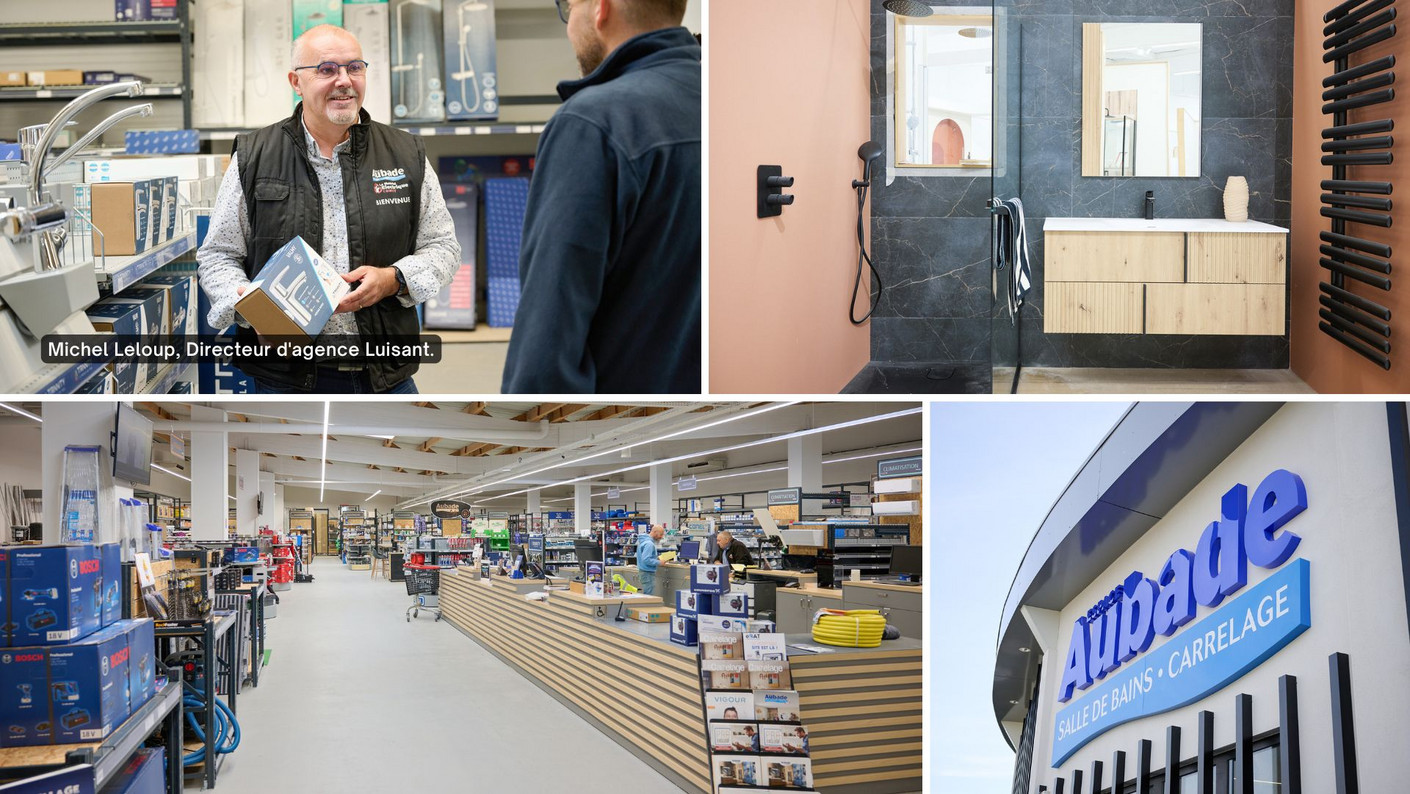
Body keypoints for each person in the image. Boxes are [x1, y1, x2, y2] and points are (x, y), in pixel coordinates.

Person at [197, 24, 460, 393]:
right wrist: (255, 311)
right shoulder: (255, 156)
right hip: (286, 379)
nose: (344, 81)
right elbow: (219, 255)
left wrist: (393, 279)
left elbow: (443, 247)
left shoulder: (405, 154)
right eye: (326, 69)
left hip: (385, 378)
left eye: (355, 67)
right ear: (296, 82)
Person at [501, 0, 700, 393]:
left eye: (568, 6)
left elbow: (548, 341)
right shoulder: (715, 97)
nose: (568, 23)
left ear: (600, 10)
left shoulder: (593, 122)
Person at [636, 524, 664, 595]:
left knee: (647, 595)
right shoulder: (649, 544)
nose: (661, 537)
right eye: (660, 534)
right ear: (654, 532)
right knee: (648, 596)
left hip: (643, 572)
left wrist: (656, 558)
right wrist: (659, 562)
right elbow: (646, 559)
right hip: (647, 573)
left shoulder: (644, 541)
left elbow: (645, 557)